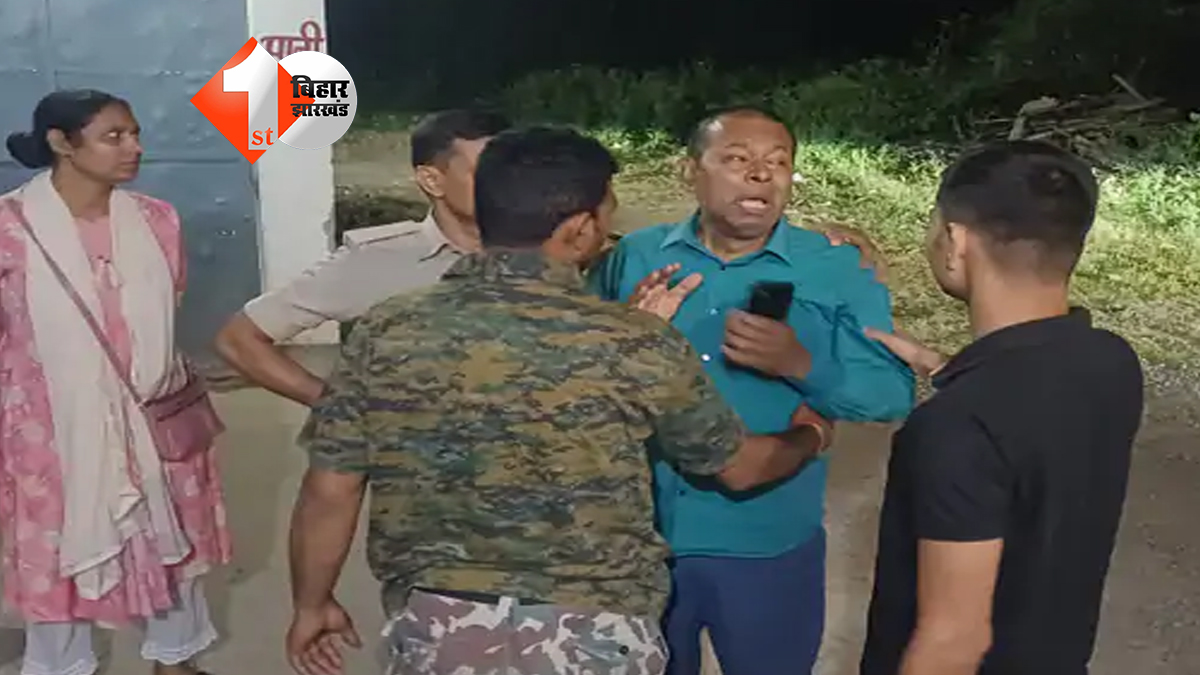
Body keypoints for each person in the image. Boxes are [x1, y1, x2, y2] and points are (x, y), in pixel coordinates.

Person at [283, 126, 836, 675]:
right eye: (608, 212)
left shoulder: (386, 329)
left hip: (441, 627)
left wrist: (312, 603)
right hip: (594, 634)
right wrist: (809, 433)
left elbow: (331, 488)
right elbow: (739, 467)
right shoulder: (633, 340)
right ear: (580, 229)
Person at [589, 105, 916, 675]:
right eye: (737, 159)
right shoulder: (634, 257)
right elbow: (577, 376)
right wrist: (631, 338)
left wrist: (802, 364)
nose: (761, 174)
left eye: (778, 162)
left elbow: (890, 394)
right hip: (639, 541)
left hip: (767, 542)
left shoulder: (834, 266)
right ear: (690, 171)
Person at [858, 140, 1145, 675]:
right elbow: (1029, 410)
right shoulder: (1111, 361)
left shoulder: (953, 428)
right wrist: (942, 366)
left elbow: (953, 642)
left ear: (955, 242)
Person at [0, 90, 231, 675]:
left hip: (154, 415)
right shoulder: (10, 227)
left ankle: (176, 660)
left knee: (171, 540)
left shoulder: (157, 220)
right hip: (53, 431)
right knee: (58, 555)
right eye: (114, 136)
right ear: (61, 142)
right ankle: (62, 666)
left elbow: (169, 305)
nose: (134, 148)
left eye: (134, 134)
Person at [213, 108, 512, 405]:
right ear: (432, 180)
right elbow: (239, 340)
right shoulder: (378, 259)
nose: (507, 185)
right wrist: (339, 408)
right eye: (486, 173)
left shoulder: (536, 253)